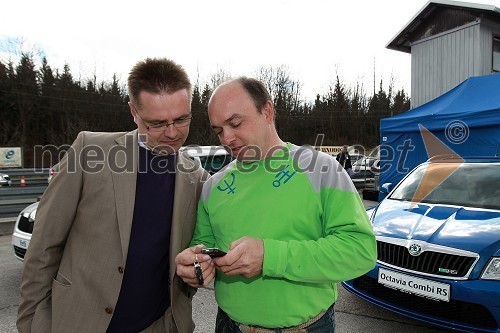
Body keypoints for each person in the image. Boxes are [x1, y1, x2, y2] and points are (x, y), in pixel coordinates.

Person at [17, 58, 209, 333]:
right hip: (77, 323)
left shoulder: (197, 178)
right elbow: (44, 246)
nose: (172, 133)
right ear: (133, 111)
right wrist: (32, 323)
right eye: (156, 123)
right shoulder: (89, 151)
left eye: (181, 119)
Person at [175, 77, 377, 332]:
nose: (226, 138)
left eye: (235, 123)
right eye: (218, 130)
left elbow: (360, 252)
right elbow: (202, 247)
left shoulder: (322, 169)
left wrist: (269, 257)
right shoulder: (214, 185)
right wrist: (195, 265)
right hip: (229, 325)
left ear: (267, 111)